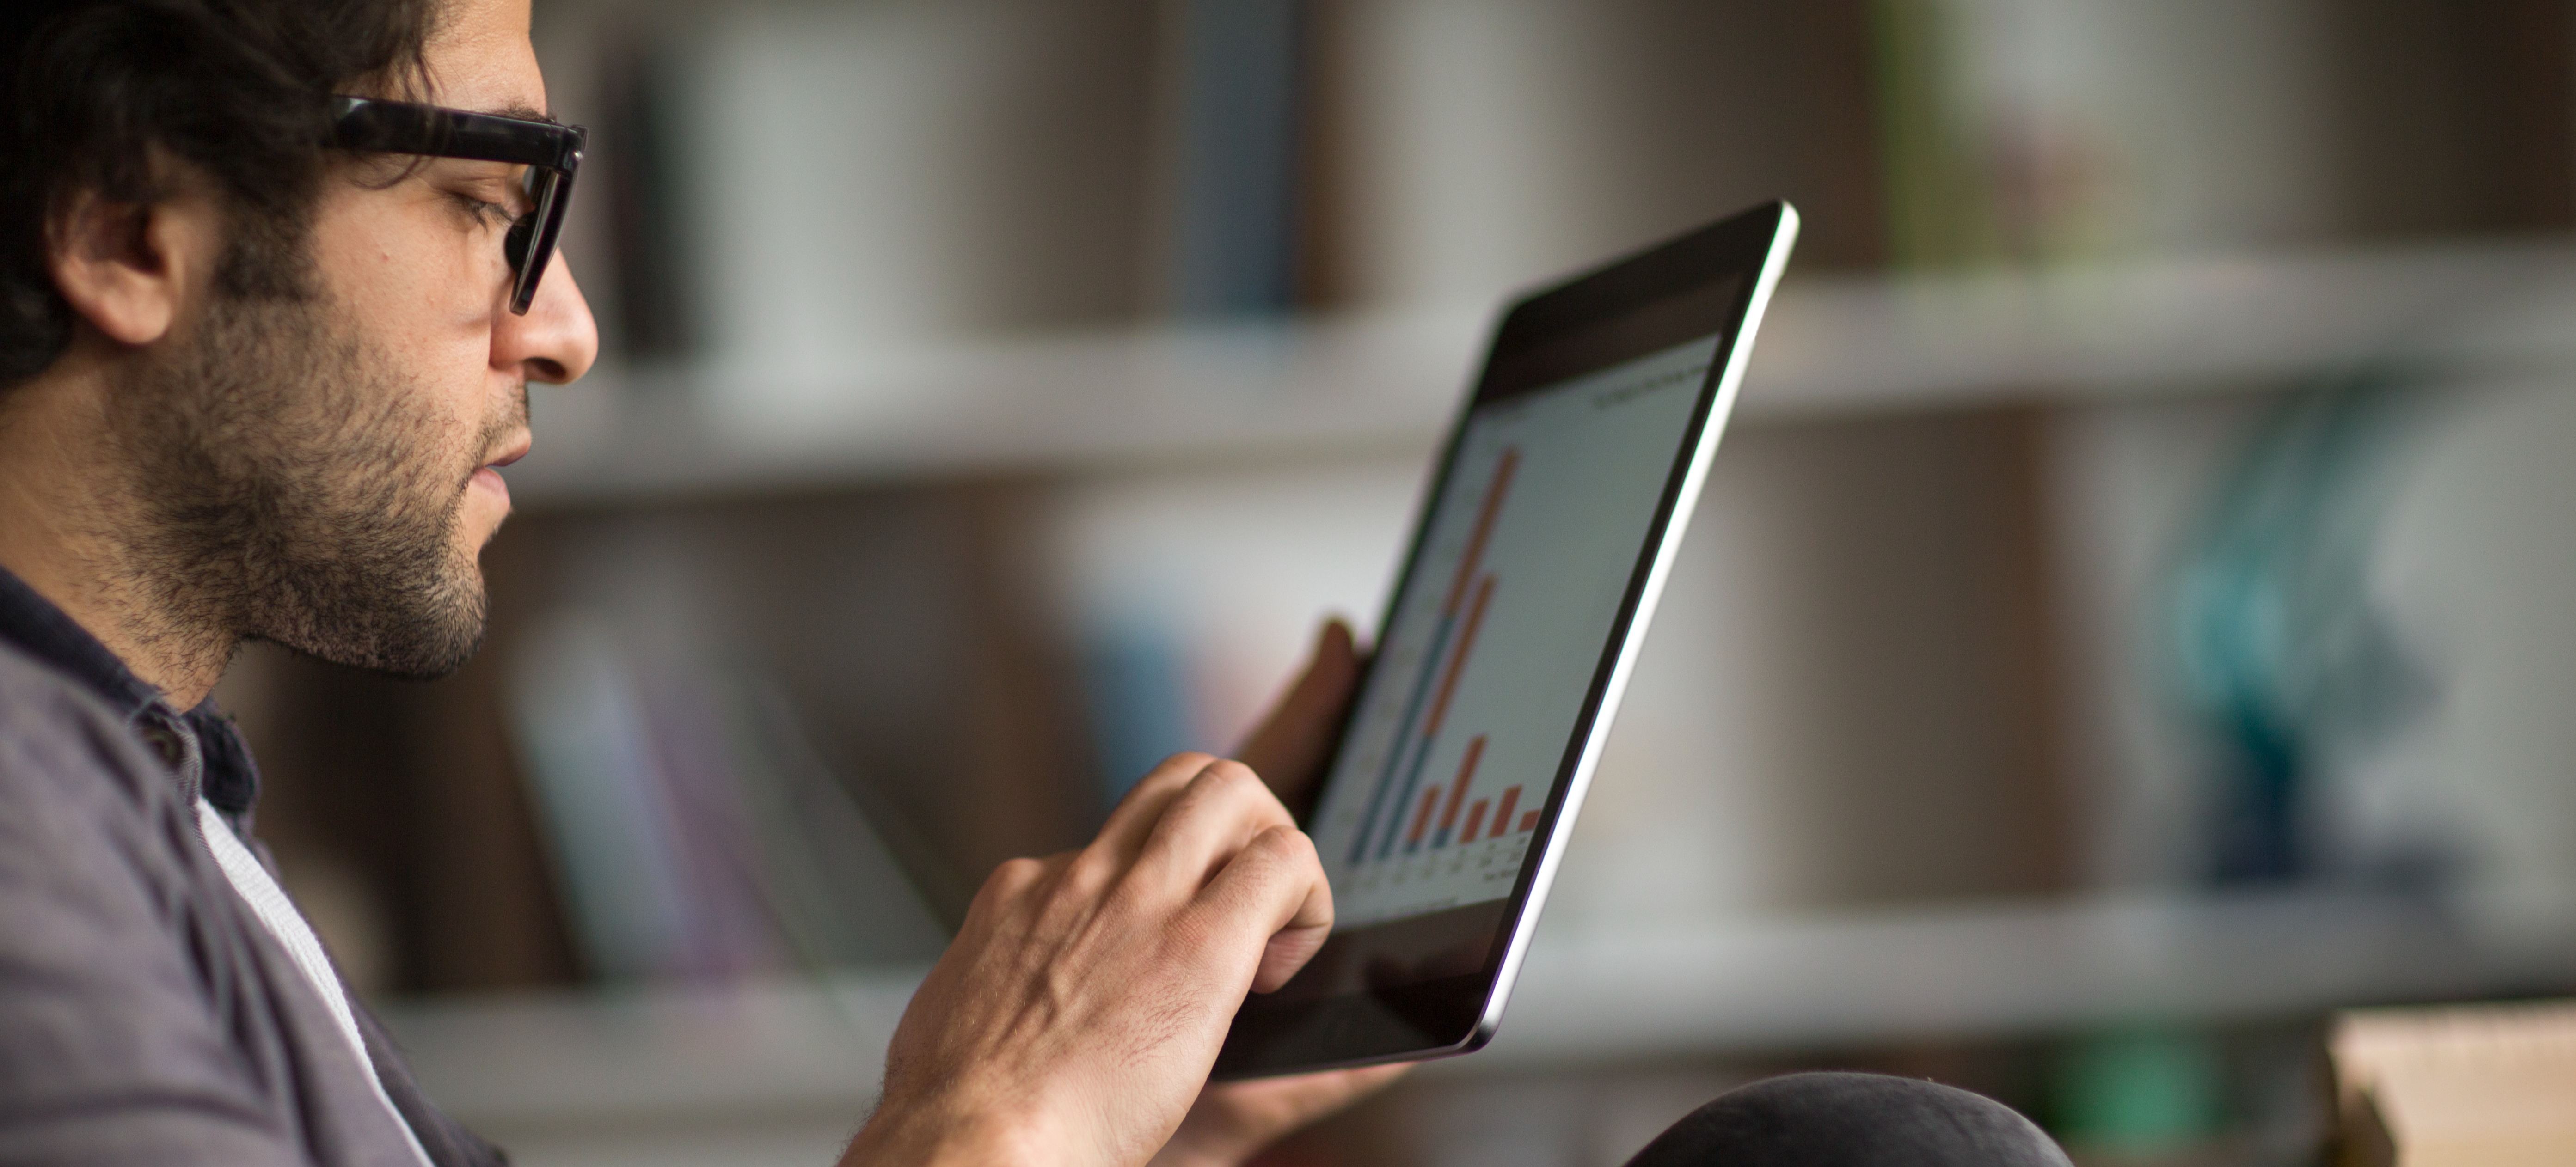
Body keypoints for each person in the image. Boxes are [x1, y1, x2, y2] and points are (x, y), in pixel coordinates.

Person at [0, 0, 2076, 1163]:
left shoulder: (147, 783)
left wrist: (1116, 1117)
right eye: (481, 200)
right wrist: (995, 1126)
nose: (564, 330)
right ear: (129, 231)